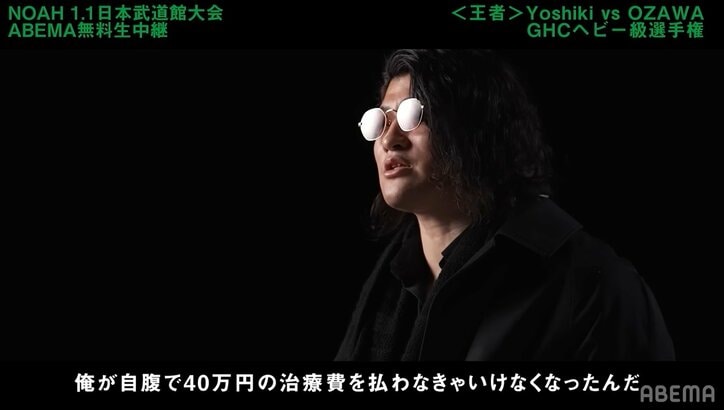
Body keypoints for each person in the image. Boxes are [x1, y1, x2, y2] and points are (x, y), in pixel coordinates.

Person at [335, 49, 675, 361]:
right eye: (380, 120)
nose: (389, 139)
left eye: (411, 114)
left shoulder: (593, 285)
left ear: (476, 125)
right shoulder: (385, 284)